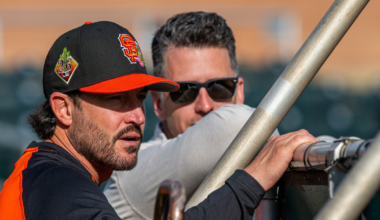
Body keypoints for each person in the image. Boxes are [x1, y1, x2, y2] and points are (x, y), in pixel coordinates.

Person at [0, 21, 318, 220]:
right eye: (116, 99)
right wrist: (250, 183)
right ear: (64, 110)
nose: (137, 115)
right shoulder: (57, 186)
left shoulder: (46, 175)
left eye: (138, 98)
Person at [103, 12, 281, 219]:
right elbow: (238, 123)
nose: (205, 105)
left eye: (219, 88)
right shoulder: (134, 172)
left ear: (239, 92)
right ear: (158, 102)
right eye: (185, 91)